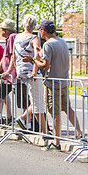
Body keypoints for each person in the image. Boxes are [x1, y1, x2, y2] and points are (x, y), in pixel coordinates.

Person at [32, 20, 83, 151]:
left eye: (40, 30)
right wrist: (42, 55)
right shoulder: (62, 41)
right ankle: (79, 133)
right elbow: (56, 58)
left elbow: (46, 66)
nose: (39, 32)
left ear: (43, 30)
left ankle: (57, 142)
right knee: (68, 108)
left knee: (54, 112)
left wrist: (34, 60)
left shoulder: (48, 44)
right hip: (64, 81)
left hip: (53, 83)